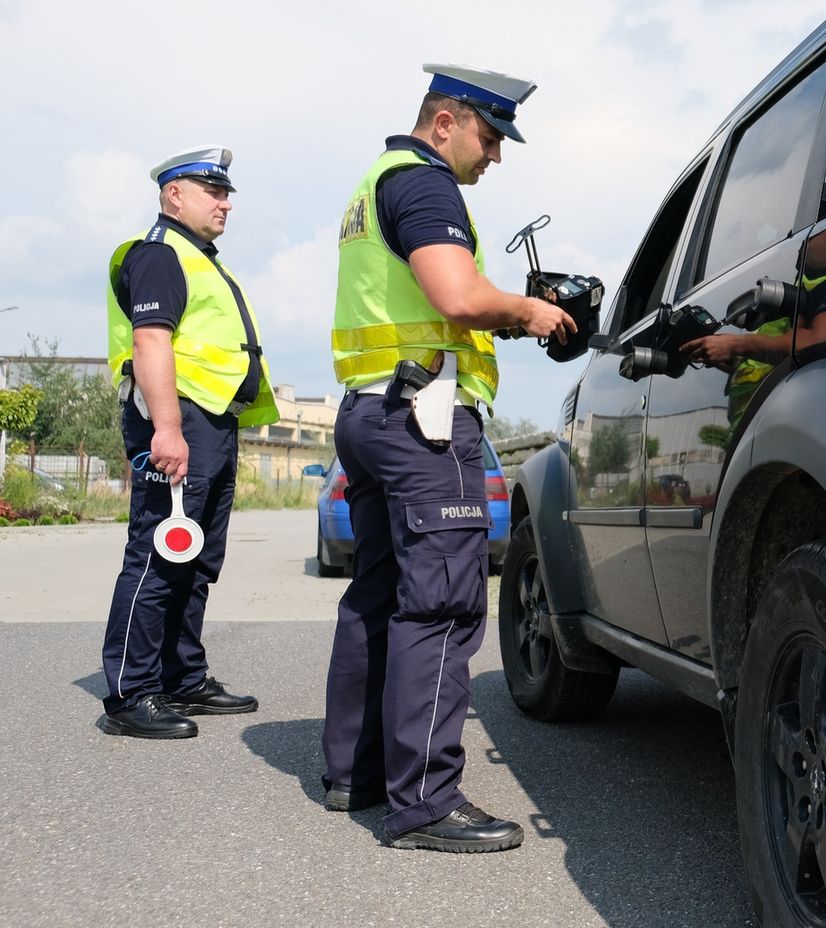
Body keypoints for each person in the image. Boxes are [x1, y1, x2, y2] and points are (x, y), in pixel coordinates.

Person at [322, 64, 575, 854]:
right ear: (446, 122)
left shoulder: (375, 186)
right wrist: (528, 309)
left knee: (379, 592)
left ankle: (354, 774)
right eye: (491, 135)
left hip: (369, 410)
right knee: (442, 606)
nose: (495, 155)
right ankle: (425, 804)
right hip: (423, 423)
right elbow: (457, 297)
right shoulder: (428, 187)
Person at [99, 146, 279, 739]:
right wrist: (167, 429)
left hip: (212, 422)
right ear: (174, 194)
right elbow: (152, 343)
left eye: (226, 193)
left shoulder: (199, 258)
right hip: (179, 422)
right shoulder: (158, 254)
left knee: (197, 559)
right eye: (213, 192)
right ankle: (132, 692)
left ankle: (181, 677)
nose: (225, 203)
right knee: (158, 553)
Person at [683, 208, 826, 428]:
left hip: (776, 421)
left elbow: (812, 345)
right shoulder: (802, 286)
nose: (800, 240)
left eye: (814, 231)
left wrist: (736, 344)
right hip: (755, 421)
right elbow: (774, 355)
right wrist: (729, 355)